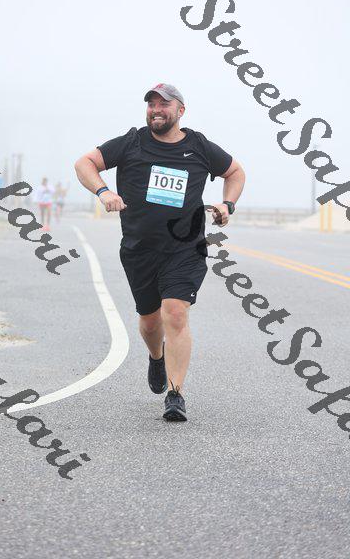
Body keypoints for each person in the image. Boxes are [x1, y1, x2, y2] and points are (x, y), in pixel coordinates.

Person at [74, 83, 245, 422]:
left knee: (175, 313)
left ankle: (175, 393)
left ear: (180, 111)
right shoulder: (131, 142)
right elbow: (84, 163)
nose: (156, 109)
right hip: (139, 249)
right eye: (151, 104)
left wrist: (228, 204)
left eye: (163, 104)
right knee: (151, 322)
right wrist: (104, 191)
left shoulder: (199, 147)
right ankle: (156, 357)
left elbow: (235, 172)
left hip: (185, 248)